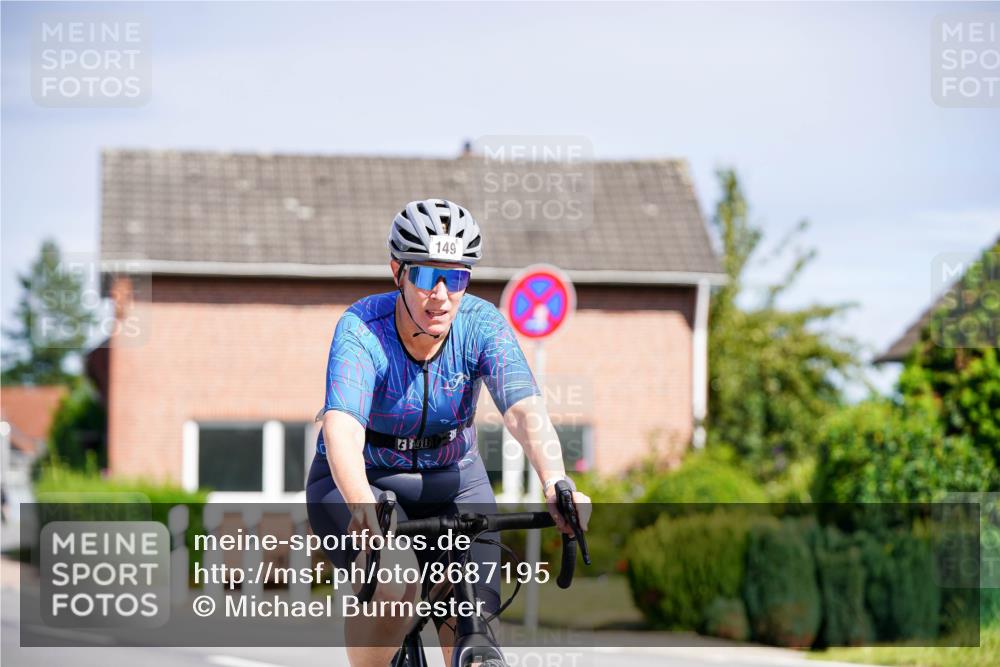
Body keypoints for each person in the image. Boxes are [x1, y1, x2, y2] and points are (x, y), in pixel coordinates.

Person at [306, 198, 591, 667]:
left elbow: (524, 410)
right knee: (395, 587)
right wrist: (362, 505)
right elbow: (343, 428)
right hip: (364, 481)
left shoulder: (481, 324)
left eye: (455, 278)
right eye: (424, 276)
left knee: (473, 616)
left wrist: (556, 480)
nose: (440, 295)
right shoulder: (362, 328)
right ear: (397, 272)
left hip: (455, 480)